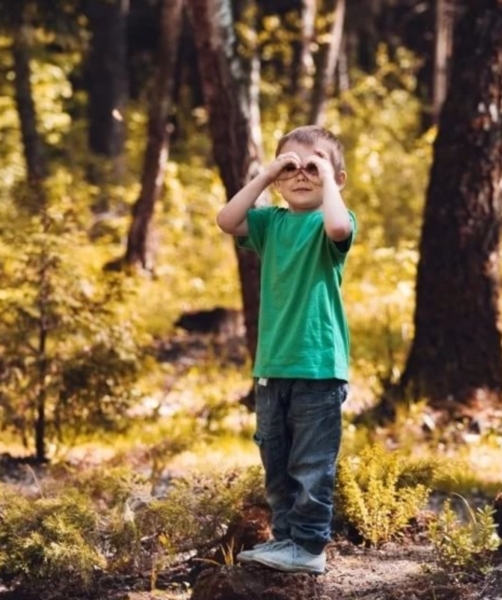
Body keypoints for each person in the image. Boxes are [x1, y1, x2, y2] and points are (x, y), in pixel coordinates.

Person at [216, 125, 356, 574]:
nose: (302, 173)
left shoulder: (332, 222)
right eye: (292, 167)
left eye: (314, 165)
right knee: (275, 459)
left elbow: (337, 225)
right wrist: (266, 173)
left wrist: (326, 179)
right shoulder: (271, 223)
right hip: (272, 367)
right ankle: (287, 541)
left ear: (338, 178)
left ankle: (310, 548)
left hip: (318, 367)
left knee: (312, 464)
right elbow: (227, 219)